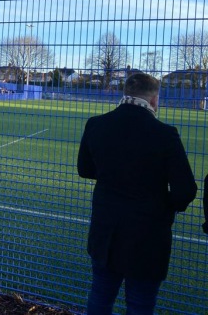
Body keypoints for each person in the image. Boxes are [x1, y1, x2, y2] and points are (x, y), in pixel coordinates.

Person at [77, 72, 197, 315]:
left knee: (100, 296)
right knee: (140, 304)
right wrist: (164, 206)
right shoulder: (165, 134)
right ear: (153, 100)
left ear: (126, 93)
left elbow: (86, 169)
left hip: (105, 231)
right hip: (147, 236)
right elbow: (186, 190)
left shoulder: (96, 124)